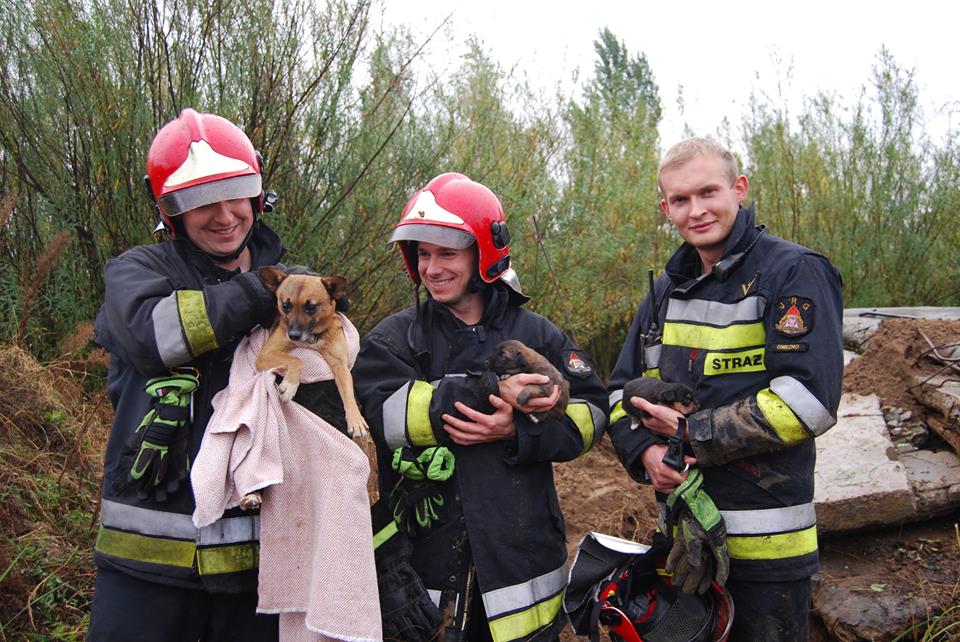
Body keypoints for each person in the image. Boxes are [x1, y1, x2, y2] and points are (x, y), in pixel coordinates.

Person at [88, 108, 338, 641]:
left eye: (236, 193)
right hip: (147, 570)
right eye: (200, 201)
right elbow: (156, 338)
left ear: (258, 194)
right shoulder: (137, 271)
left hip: (261, 572)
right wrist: (261, 291)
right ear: (170, 211)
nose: (224, 215)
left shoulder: (302, 288)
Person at [354, 173, 608, 642]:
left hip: (522, 572)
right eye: (422, 254)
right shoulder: (394, 339)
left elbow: (592, 412)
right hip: (421, 580)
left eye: (447, 253)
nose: (432, 268)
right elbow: (384, 416)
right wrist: (491, 390)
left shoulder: (539, 336)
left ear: (484, 254)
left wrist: (519, 432)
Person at [607, 137, 844, 641]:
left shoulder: (793, 271)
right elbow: (617, 392)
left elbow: (809, 403)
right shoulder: (665, 289)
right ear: (666, 207)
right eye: (679, 200)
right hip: (685, 545)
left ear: (739, 189)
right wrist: (646, 451)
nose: (696, 211)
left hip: (768, 554)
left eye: (707, 192)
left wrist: (692, 434)